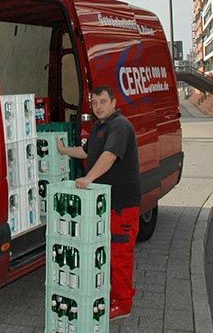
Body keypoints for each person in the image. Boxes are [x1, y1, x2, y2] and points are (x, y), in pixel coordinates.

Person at [56, 85, 141, 320]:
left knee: (120, 254)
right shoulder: (99, 127)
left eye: (102, 101)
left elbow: (109, 156)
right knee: (111, 253)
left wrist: (88, 178)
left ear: (113, 102)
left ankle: (123, 304)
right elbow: (86, 152)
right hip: (107, 203)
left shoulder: (119, 126)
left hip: (122, 205)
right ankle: (120, 293)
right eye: (94, 103)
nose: (98, 106)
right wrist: (63, 150)